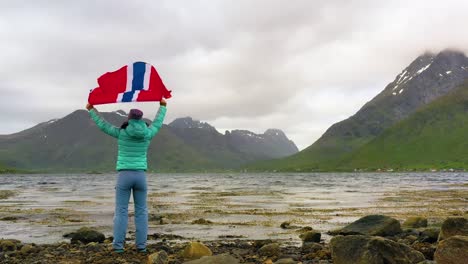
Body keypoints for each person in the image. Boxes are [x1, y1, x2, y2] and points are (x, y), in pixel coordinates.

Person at [85, 99, 167, 253]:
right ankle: (141, 247)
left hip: (124, 175)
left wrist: (91, 109)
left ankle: (118, 247)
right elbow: (158, 122)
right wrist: (163, 106)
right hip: (140, 176)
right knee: (141, 211)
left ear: (129, 118)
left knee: (121, 211)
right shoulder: (148, 133)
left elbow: (103, 125)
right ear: (141, 119)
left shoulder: (122, 132)